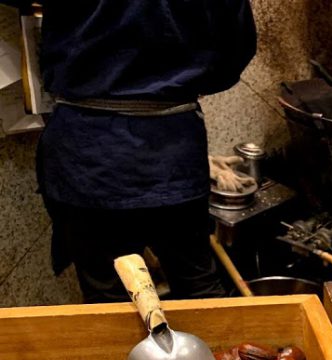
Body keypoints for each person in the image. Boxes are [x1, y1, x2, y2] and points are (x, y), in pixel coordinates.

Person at [9, 1, 257, 302]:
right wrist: (177, 83)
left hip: (87, 153)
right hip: (173, 147)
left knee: (109, 299)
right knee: (198, 286)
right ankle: (216, 350)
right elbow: (235, 52)